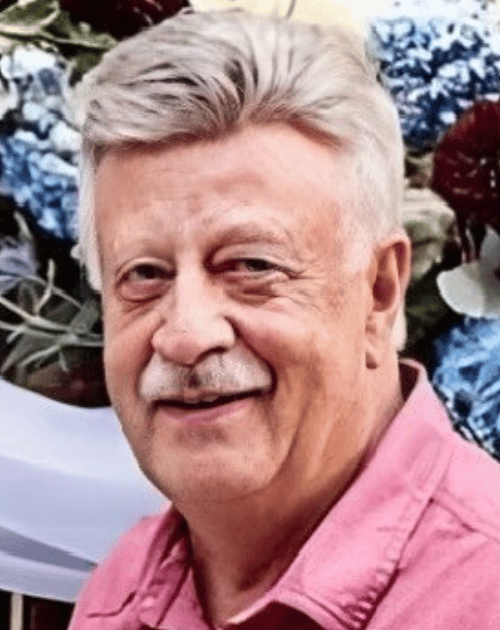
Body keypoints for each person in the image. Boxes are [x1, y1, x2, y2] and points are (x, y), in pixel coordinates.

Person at [69, 9, 500, 629]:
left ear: (380, 293)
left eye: (251, 265)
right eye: (144, 275)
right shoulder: (121, 590)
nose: (186, 334)